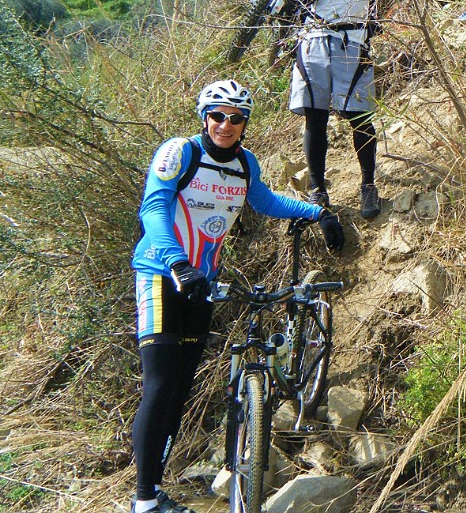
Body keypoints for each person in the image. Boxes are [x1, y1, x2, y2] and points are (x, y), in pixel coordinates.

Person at [130, 79, 344, 513]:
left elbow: (263, 201)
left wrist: (317, 212)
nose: (226, 125)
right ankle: (144, 499)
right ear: (203, 117)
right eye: (217, 115)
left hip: (203, 281)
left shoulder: (245, 163)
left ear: (246, 122)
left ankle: (154, 496)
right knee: (159, 385)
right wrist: (176, 263)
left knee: (179, 387)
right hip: (161, 274)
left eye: (236, 118)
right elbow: (153, 209)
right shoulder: (180, 153)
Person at [287, 0, 421, 219]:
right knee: (315, 116)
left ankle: (368, 185)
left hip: (354, 43)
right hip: (315, 38)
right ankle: (318, 189)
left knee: (359, 117)